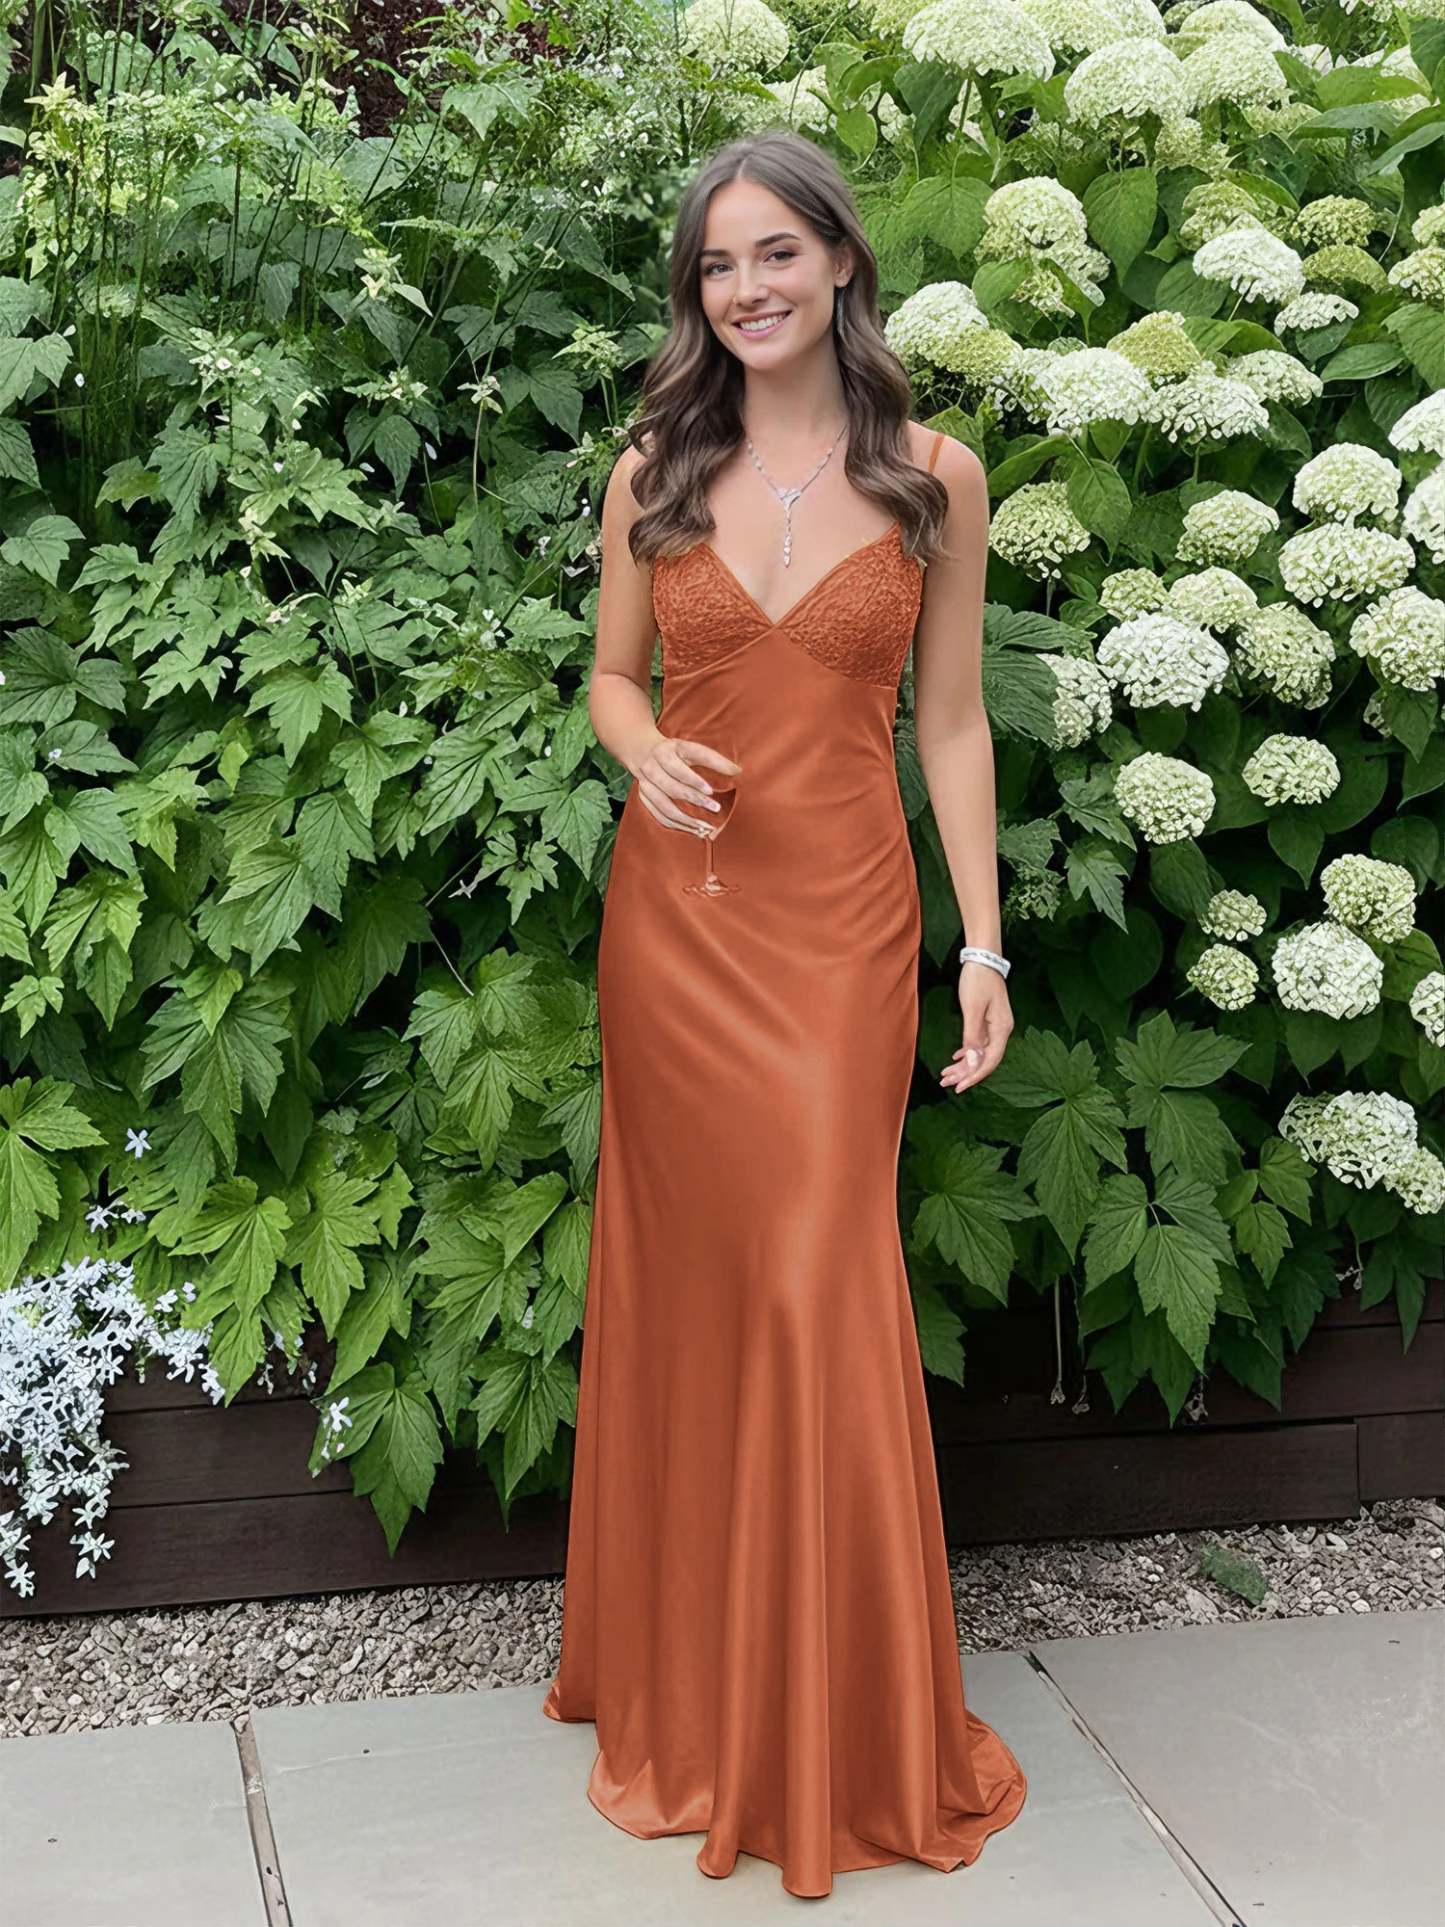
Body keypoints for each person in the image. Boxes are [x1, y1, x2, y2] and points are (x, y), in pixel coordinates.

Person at [541, 126, 1026, 1899]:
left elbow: (950, 724)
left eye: (773, 253)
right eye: (715, 265)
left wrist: (981, 947)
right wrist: (643, 749)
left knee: (820, 1281)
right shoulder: (655, 466)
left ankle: (834, 1727)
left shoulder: (935, 479)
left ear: (839, 261)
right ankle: (698, 1687)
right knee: (702, 1294)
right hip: (677, 935)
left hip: (839, 938)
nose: (743, 289)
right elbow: (611, 678)